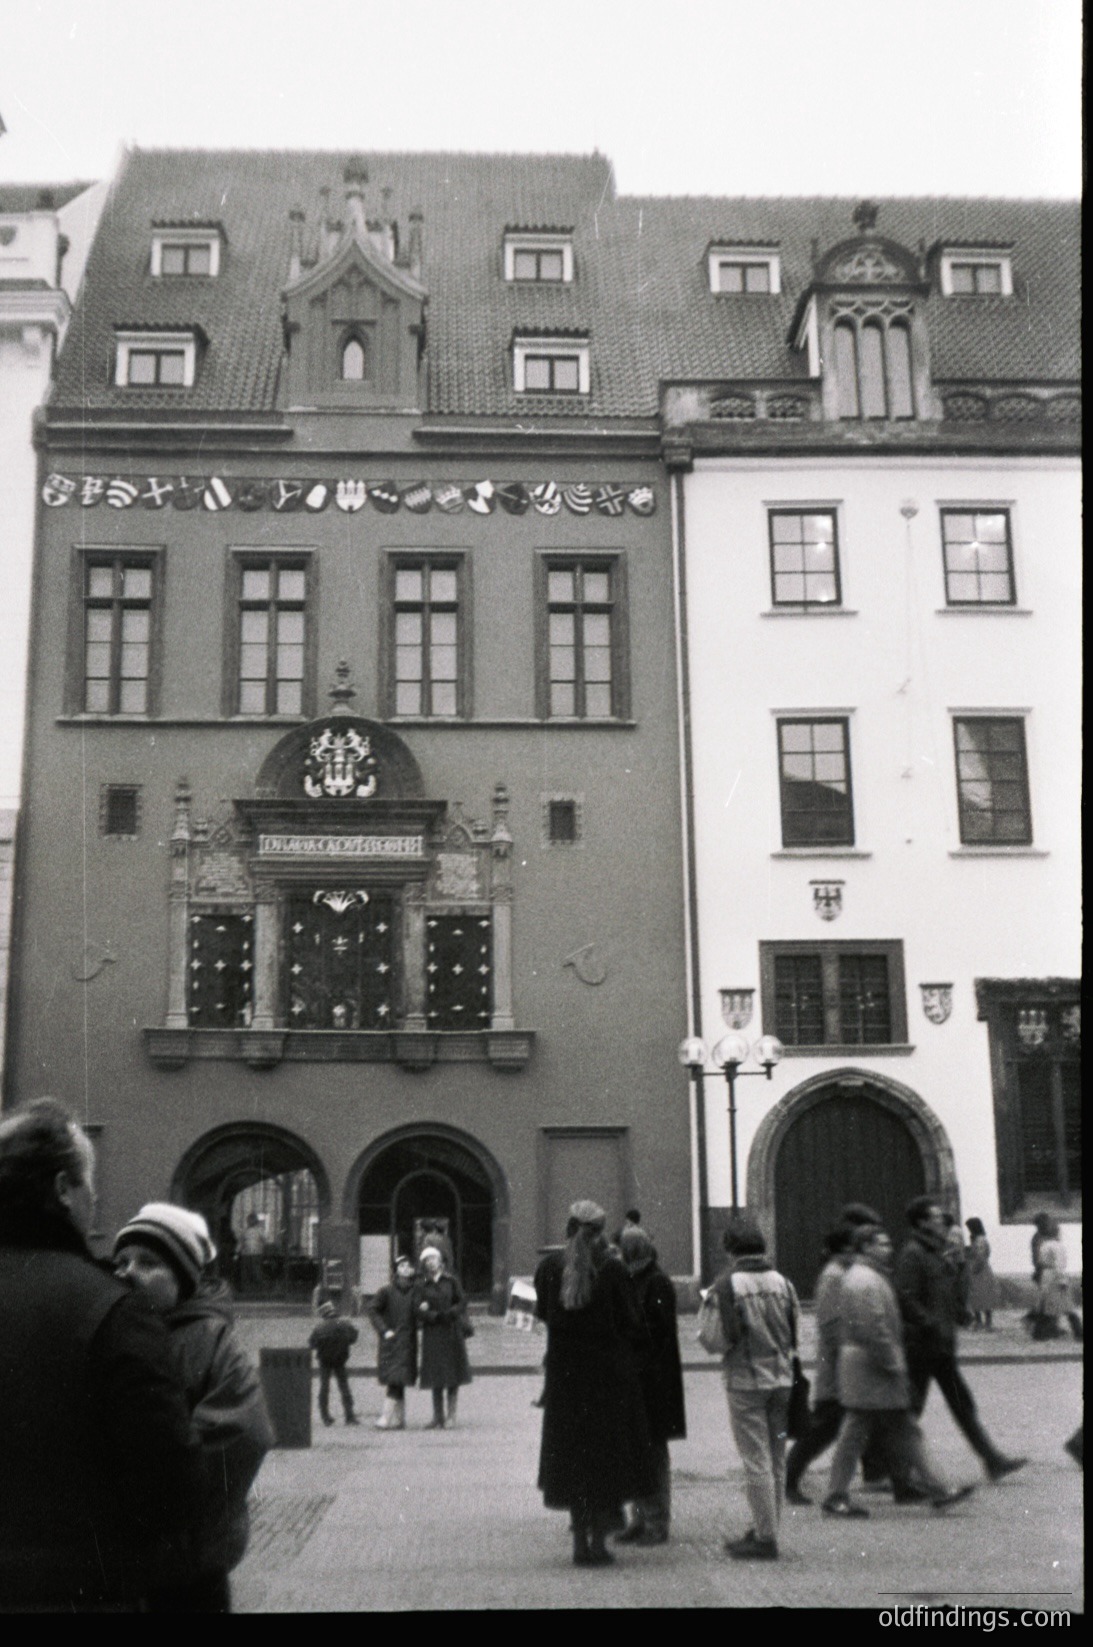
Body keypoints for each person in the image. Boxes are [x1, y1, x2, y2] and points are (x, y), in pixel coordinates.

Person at [0, 1097, 202, 1610]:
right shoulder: (111, 1309)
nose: (94, 1196)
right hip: (80, 1590)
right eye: (89, 1182)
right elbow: (168, 1482)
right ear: (64, 1190)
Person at [113, 1201, 274, 1613]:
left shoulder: (209, 1339)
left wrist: (150, 1485)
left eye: (148, 1263)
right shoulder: (114, 1330)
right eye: (123, 1260)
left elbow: (241, 1431)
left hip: (186, 1558)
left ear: (184, 1278)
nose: (128, 1272)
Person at [823, 1223, 975, 1520]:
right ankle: (937, 1490)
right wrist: (895, 1365)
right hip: (873, 1367)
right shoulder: (865, 1280)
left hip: (868, 1366)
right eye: (882, 1244)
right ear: (866, 1247)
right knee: (888, 1430)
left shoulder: (866, 1277)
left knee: (886, 1430)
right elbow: (875, 1329)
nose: (889, 1248)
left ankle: (936, 1489)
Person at [535, 1200, 655, 1567]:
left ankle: (578, 1545)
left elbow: (544, 1314)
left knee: (573, 1459)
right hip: (608, 1382)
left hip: (565, 1380)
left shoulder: (549, 1268)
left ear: (568, 1228)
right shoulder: (615, 1270)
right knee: (605, 1461)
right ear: (602, 1232)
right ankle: (599, 1544)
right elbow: (632, 1323)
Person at [895, 1195, 1026, 1483]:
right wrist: (929, 1323)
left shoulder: (937, 1251)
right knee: (911, 1411)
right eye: (934, 1216)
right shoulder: (913, 1254)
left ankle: (992, 1460)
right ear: (921, 1223)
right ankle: (897, 1473)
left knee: (961, 1405)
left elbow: (943, 1292)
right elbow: (906, 1297)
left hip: (940, 1345)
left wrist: (959, 1312)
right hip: (922, 1346)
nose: (941, 1219)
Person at [714, 1215, 799, 1561]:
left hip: (746, 1380)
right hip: (781, 1379)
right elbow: (795, 1331)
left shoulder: (727, 1284)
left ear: (730, 1249)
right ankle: (768, 1527)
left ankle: (765, 1538)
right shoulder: (783, 1282)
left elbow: (723, 1337)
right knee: (777, 1458)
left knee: (756, 1460)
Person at [616, 1225, 686, 1545]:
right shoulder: (633, 1278)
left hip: (653, 1381)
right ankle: (639, 1518)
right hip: (636, 1378)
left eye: (622, 1250)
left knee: (654, 1454)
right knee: (634, 1451)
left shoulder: (656, 1281)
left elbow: (654, 1331)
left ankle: (657, 1521)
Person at [414, 1244, 472, 1428]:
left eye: (434, 1259)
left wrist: (452, 1313)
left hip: (451, 1330)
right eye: (427, 1260)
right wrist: (432, 1315)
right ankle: (437, 1417)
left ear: (440, 1261)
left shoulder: (451, 1281)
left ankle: (451, 1416)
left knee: (452, 1373)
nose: (431, 1263)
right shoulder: (422, 1284)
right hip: (433, 1332)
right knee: (435, 1374)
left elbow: (462, 1300)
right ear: (424, 1264)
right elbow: (417, 1308)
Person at [368, 1254, 419, 1428]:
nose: (406, 1268)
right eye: (402, 1265)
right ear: (396, 1270)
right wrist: (384, 1330)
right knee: (395, 1380)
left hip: (408, 1342)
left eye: (409, 1265)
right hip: (392, 1341)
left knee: (399, 1379)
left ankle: (398, 1419)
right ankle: (387, 1418)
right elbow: (373, 1310)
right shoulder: (386, 1291)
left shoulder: (415, 1291)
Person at [308, 1299, 360, 1426]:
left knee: (324, 1387)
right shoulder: (344, 1324)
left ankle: (325, 1416)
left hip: (324, 1360)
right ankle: (349, 1416)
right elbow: (353, 1338)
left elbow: (312, 1344)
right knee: (344, 1386)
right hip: (340, 1359)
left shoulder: (319, 1327)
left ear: (323, 1313)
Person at [1032, 1217, 1082, 1342]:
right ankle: (1077, 1331)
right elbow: (1060, 1264)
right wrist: (1062, 1279)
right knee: (1063, 1306)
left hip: (1049, 1275)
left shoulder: (1046, 1245)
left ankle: (1040, 1332)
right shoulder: (1057, 1246)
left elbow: (1043, 1262)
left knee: (1050, 1304)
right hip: (1053, 1276)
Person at [965, 1217, 1000, 1330]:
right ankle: (984, 1321)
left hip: (979, 1270)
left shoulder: (979, 1240)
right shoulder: (979, 1239)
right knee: (980, 1295)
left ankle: (982, 1321)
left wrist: (974, 1268)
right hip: (980, 1269)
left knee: (980, 1295)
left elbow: (980, 1256)